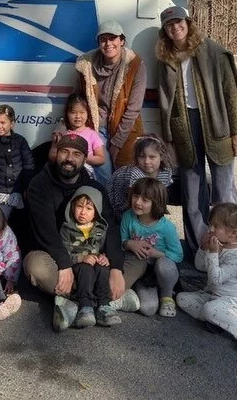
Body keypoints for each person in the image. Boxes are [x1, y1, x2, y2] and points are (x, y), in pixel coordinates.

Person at [23, 132, 139, 332]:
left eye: (77, 154)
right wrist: (65, 264)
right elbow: (46, 232)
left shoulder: (94, 188)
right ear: (56, 154)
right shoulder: (39, 185)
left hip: (94, 259)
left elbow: (109, 227)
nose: (69, 158)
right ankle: (105, 300)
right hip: (57, 256)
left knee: (139, 259)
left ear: (85, 159)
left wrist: (117, 268)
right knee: (35, 266)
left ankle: (75, 301)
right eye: (64, 152)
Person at [156, 5, 237, 256]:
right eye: (170, 25)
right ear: (165, 30)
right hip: (184, 126)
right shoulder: (165, 58)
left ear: (188, 23)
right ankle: (200, 248)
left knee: (223, 188)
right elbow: (164, 102)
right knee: (192, 190)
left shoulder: (212, 50)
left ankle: (231, 245)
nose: (176, 28)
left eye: (179, 22)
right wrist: (169, 139)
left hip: (217, 123)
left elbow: (230, 93)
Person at [176, 203, 237, 351]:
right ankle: (220, 322)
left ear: (232, 232)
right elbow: (200, 266)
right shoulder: (219, 245)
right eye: (211, 225)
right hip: (215, 297)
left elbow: (215, 280)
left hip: (235, 303)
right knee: (182, 298)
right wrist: (204, 248)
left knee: (209, 310)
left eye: (216, 227)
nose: (211, 230)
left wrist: (212, 253)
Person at [75, 20, 146, 186]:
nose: (108, 44)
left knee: (126, 177)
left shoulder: (135, 64)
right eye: (103, 39)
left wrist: (116, 143)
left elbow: (133, 109)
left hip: (125, 129)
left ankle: (125, 212)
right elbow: (76, 101)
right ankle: (106, 210)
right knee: (104, 175)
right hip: (96, 128)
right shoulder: (86, 65)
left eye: (113, 38)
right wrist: (62, 127)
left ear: (122, 41)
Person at [120, 178, 183, 317]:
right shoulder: (128, 217)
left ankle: (167, 295)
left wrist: (157, 254)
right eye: (136, 196)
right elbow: (121, 240)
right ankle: (137, 287)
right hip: (140, 269)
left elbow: (178, 255)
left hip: (162, 269)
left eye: (145, 200)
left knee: (164, 265)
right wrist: (129, 243)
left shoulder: (166, 227)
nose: (137, 202)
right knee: (148, 309)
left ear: (156, 204)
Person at [59, 187, 120, 328]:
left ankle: (104, 305)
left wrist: (105, 258)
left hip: (95, 262)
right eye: (79, 206)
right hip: (78, 266)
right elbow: (64, 252)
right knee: (85, 269)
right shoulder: (67, 229)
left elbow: (105, 248)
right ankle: (85, 307)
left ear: (96, 211)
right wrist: (80, 258)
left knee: (103, 269)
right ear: (72, 207)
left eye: (88, 208)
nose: (82, 212)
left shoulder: (101, 228)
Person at [105, 135, 173, 220]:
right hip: (120, 200)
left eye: (152, 157)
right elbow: (134, 202)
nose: (147, 162)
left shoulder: (165, 171)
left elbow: (160, 195)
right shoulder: (134, 173)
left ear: (161, 156)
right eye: (142, 156)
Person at [48, 94, 106, 179]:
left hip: (85, 175)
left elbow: (101, 159)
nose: (78, 116)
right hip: (64, 172)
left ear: (87, 114)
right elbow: (52, 159)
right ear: (67, 114)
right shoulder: (63, 132)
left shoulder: (92, 134)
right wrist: (54, 144)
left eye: (82, 112)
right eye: (73, 112)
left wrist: (81, 158)